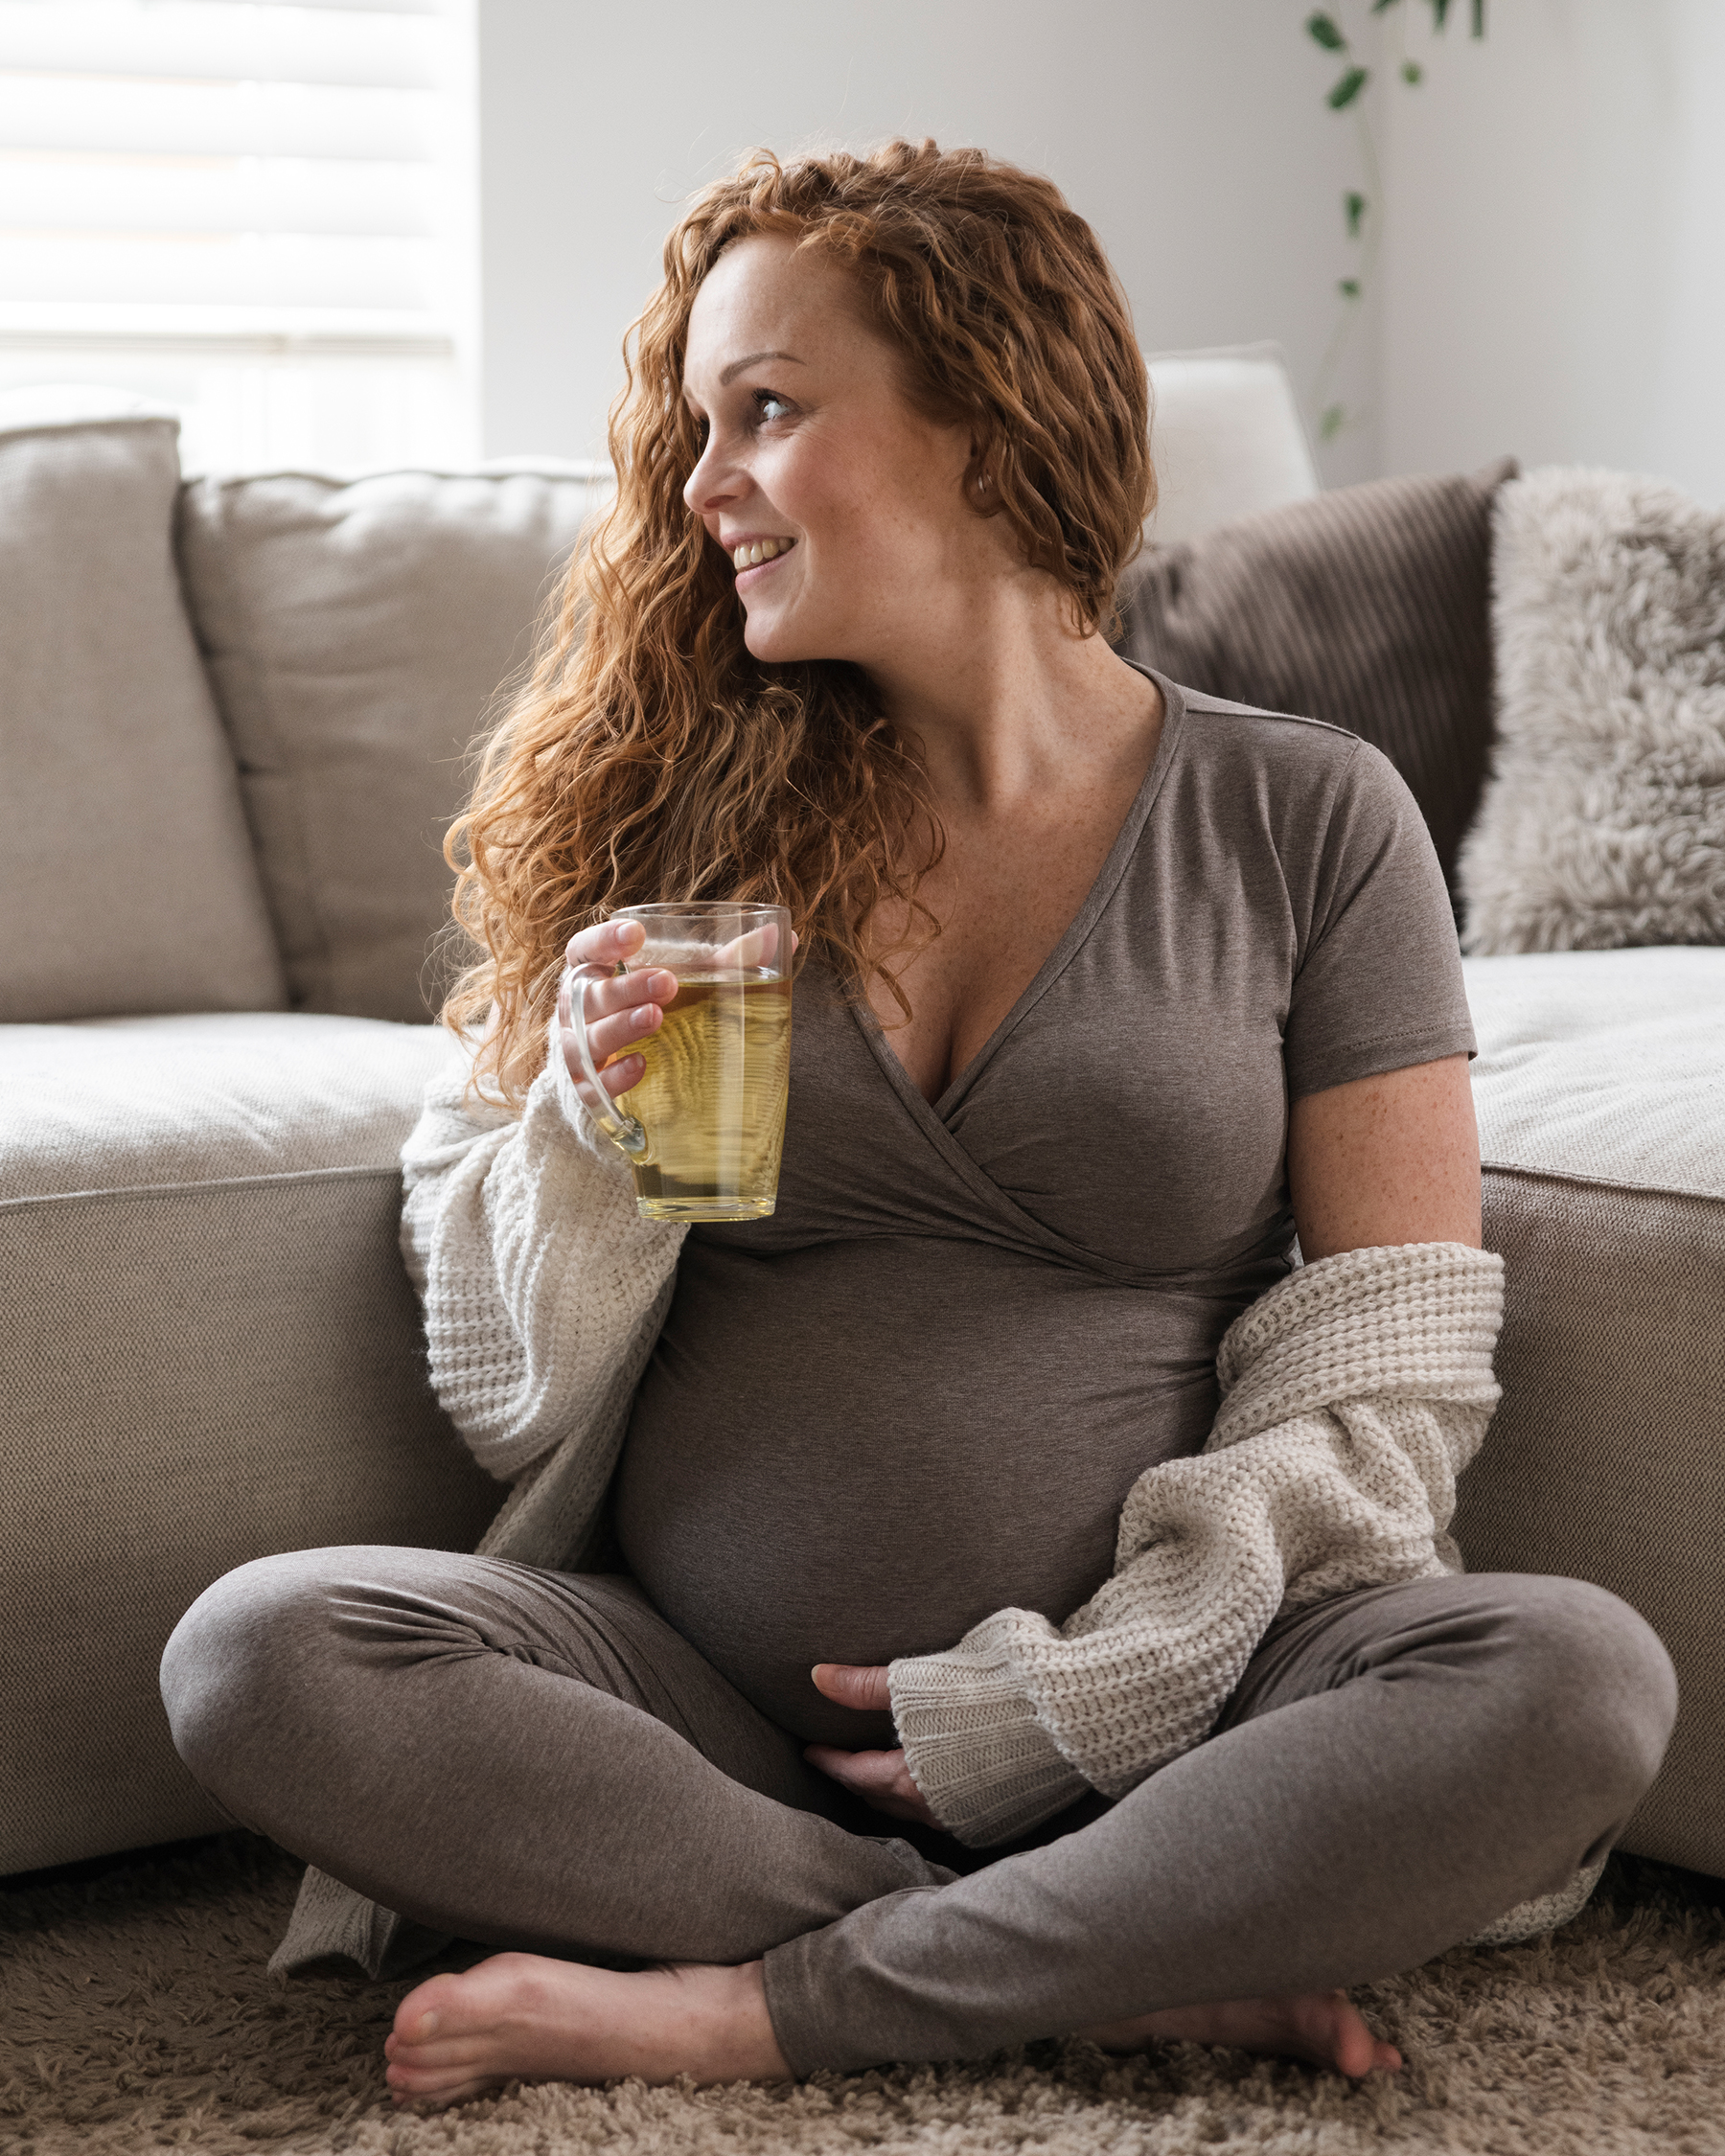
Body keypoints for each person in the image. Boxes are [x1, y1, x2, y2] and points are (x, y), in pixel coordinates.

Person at [159, 140, 1677, 2109]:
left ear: (984, 415)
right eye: (696, 424)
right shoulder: (665, 836)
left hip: (1184, 1701)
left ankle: (758, 1998)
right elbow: (510, 1393)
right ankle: (1102, 1957)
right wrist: (579, 1141)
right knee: (262, 1652)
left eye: (765, 412)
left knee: (1573, 1676)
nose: (701, 484)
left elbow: (1386, 1367)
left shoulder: (1308, 819)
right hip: (699, 1718)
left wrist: (1089, 1694)